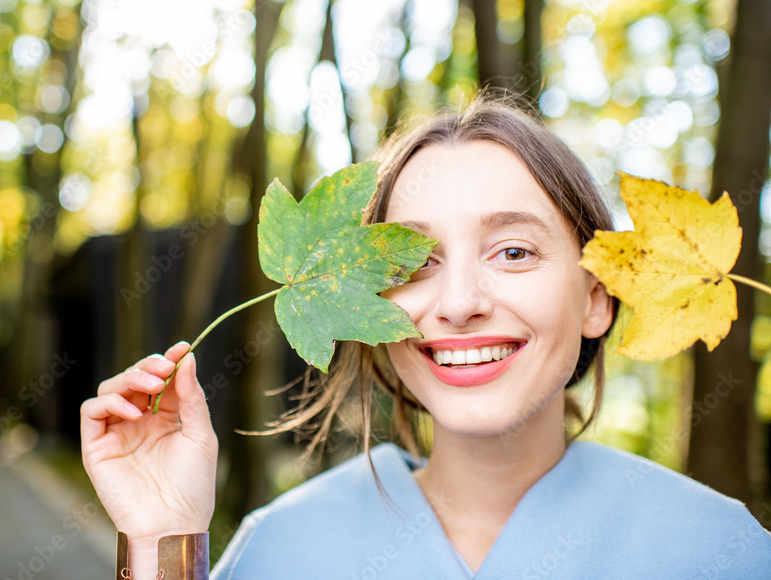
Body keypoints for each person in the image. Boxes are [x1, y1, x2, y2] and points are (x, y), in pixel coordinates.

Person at [80, 95, 771, 579]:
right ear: (370, 305)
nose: (461, 303)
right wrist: (160, 541)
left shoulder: (718, 550)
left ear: (596, 298)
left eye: (514, 252)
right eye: (414, 263)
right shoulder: (282, 546)